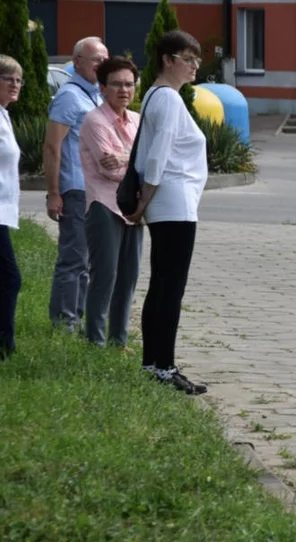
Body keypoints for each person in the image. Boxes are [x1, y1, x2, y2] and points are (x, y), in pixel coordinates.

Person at [130, 30, 208, 395]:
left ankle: (152, 362)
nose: (194, 66)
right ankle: (165, 366)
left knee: (161, 283)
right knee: (170, 287)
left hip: (170, 200)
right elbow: (158, 154)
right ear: (167, 60)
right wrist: (144, 199)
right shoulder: (170, 100)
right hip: (173, 200)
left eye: (197, 60)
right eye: (188, 59)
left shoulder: (155, 96)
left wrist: (147, 200)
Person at [80, 56, 144, 349]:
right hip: (104, 206)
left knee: (128, 278)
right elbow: (109, 169)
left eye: (129, 84)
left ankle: (118, 342)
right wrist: (134, 161)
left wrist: (126, 158)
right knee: (106, 276)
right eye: (116, 84)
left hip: (134, 209)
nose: (124, 90)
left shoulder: (138, 121)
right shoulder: (95, 121)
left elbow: (151, 164)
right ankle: (95, 340)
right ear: (102, 88)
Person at [45, 36, 107, 331]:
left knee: (87, 259)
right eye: (96, 59)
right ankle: (64, 322)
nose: (102, 64)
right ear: (78, 62)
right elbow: (52, 146)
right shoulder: (70, 96)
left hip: (92, 190)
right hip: (74, 188)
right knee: (73, 258)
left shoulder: (94, 94)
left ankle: (76, 317)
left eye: (105, 59)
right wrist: (54, 193)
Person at [0, 55, 23, 359]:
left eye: (19, 79)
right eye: (8, 78)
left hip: (2, 212)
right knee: (10, 277)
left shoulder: (4, 114)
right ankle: (5, 345)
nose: (15, 84)